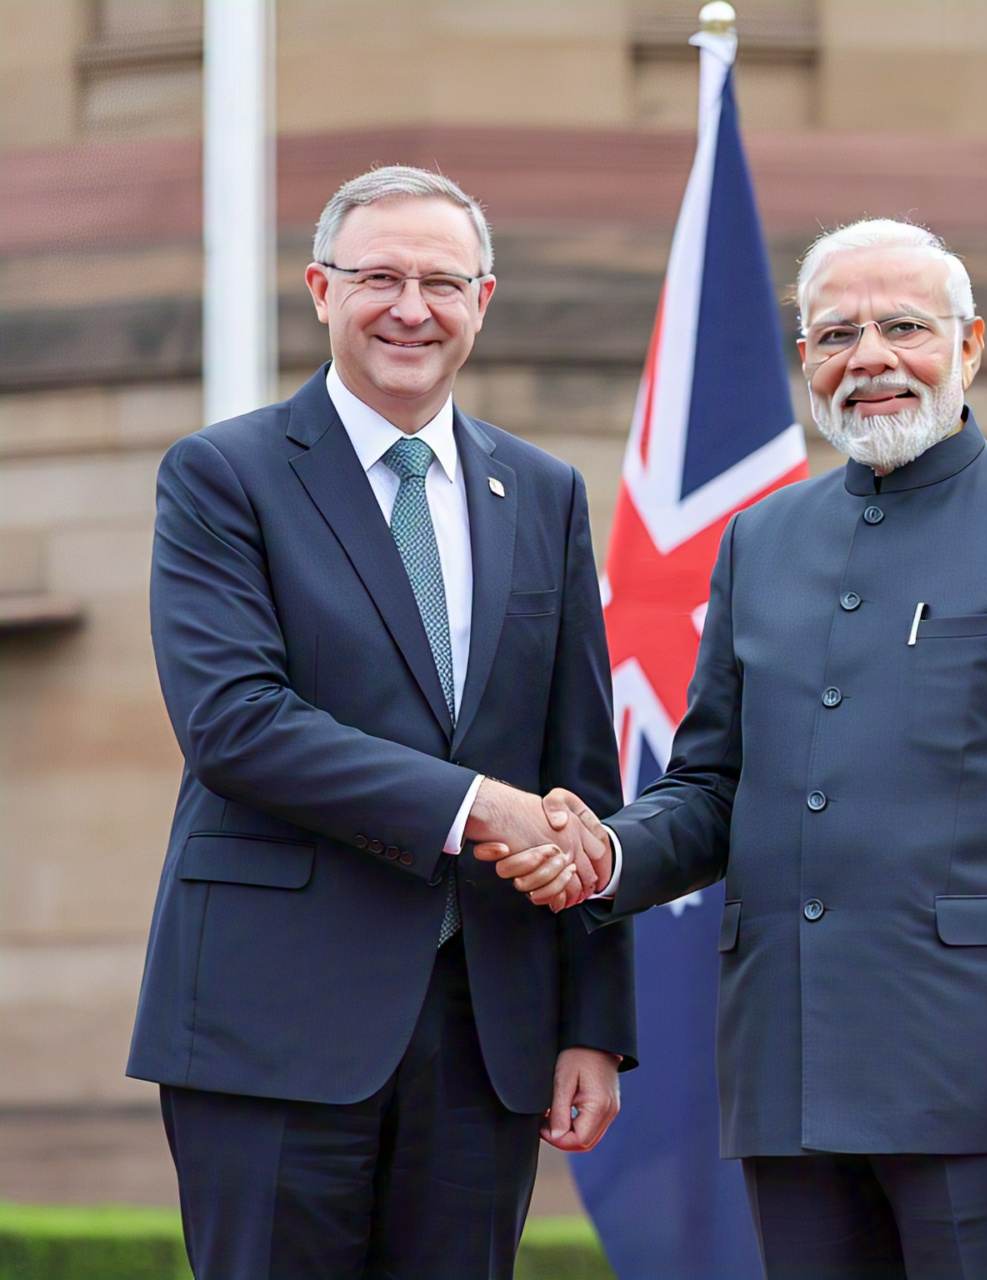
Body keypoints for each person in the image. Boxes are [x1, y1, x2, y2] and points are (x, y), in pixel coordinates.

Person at [485, 220, 987, 1279]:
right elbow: (712, 785)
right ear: (805, 359)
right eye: (835, 335)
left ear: (969, 344)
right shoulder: (760, 540)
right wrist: (608, 853)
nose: (869, 358)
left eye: (904, 327)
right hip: (790, 1079)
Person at [127, 165, 635, 1280]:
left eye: (442, 282)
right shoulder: (223, 475)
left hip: (485, 1033)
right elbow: (236, 722)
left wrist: (592, 1022)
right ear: (321, 290)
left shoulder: (543, 491)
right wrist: (475, 804)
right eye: (379, 278)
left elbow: (578, 776)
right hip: (273, 1023)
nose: (413, 308)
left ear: (482, 302)